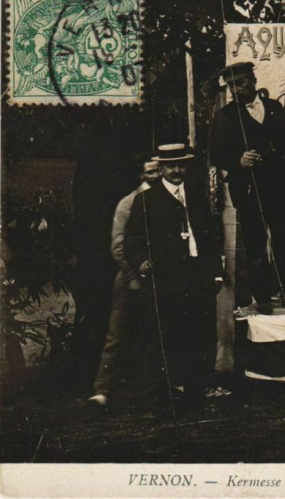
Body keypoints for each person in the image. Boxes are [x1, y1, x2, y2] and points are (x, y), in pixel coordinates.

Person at [124, 143, 224, 416]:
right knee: (162, 342)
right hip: (166, 282)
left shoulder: (197, 197)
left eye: (181, 165)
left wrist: (216, 274)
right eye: (171, 166)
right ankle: (156, 403)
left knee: (198, 340)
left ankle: (195, 401)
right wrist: (142, 262)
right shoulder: (147, 200)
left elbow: (210, 238)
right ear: (161, 169)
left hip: (198, 279)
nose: (176, 170)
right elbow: (131, 241)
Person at [209, 62, 285, 314]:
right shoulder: (225, 116)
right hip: (248, 189)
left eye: (240, 83)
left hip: (279, 187)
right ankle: (263, 298)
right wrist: (238, 159)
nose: (236, 89)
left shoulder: (275, 108)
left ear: (254, 80)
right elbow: (215, 153)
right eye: (231, 85)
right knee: (255, 243)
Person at [87, 158, 160, 408]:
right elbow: (118, 247)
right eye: (150, 171)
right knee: (117, 334)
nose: (156, 175)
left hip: (159, 278)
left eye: (158, 170)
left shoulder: (166, 200)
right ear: (141, 175)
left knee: (157, 334)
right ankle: (102, 389)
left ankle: (156, 389)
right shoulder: (128, 203)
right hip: (131, 279)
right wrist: (134, 278)